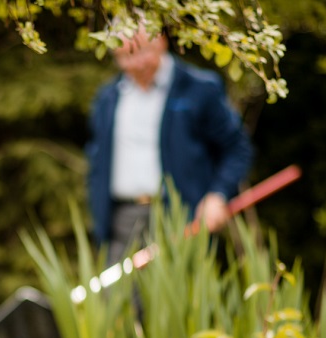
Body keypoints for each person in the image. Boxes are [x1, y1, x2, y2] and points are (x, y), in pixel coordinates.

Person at [86, 25, 254, 264]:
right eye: (125, 56)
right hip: (122, 221)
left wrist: (218, 195)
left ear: (161, 41)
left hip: (182, 219)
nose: (136, 63)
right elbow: (97, 159)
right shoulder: (107, 98)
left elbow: (237, 149)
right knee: (118, 300)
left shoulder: (199, 89)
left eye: (142, 51)